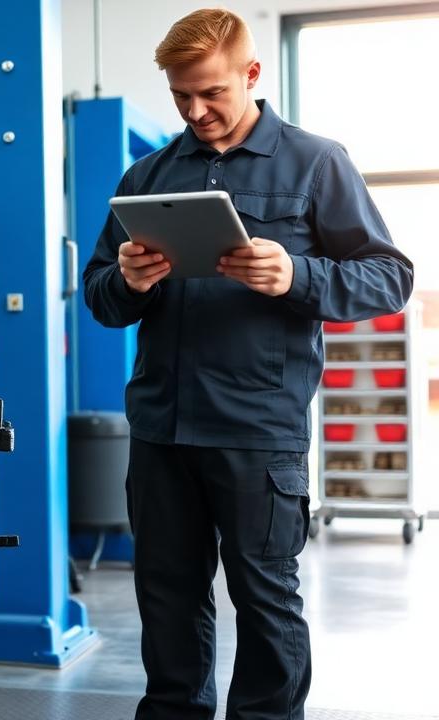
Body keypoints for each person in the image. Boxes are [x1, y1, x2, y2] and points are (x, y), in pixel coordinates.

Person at [82, 8, 413, 720]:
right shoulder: (148, 176)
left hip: (258, 428)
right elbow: (100, 298)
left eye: (211, 92)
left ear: (252, 74)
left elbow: (390, 276)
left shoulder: (316, 162)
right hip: (162, 428)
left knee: (265, 600)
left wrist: (296, 275)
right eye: (180, 96)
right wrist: (130, 281)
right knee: (167, 598)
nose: (195, 110)